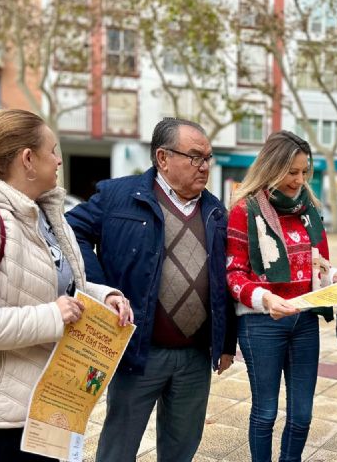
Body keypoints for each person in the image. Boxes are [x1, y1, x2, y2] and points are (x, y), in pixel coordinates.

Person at [66, 117, 236, 462]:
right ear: (162, 157)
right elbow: (71, 232)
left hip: (195, 356)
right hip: (138, 351)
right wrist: (101, 288)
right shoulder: (119, 196)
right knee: (119, 446)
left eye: (208, 158)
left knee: (181, 447)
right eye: (194, 157)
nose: (204, 166)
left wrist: (226, 343)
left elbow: (225, 281)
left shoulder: (216, 211)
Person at [0, 109, 131, 462]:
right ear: (28, 159)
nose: (58, 160)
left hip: (50, 403)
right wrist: (51, 318)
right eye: (53, 150)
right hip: (0, 419)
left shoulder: (47, 215)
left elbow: (59, 287)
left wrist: (105, 296)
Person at [226, 130, 337, 462]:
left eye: (304, 172)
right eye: (292, 171)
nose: (299, 180)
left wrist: (335, 276)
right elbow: (233, 274)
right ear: (272, 167)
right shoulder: (245, 210)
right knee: (266, 412)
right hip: (261, 323)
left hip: (303, 320)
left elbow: (319, 266)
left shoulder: (309, 209)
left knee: (302, 415)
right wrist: (266, 299)